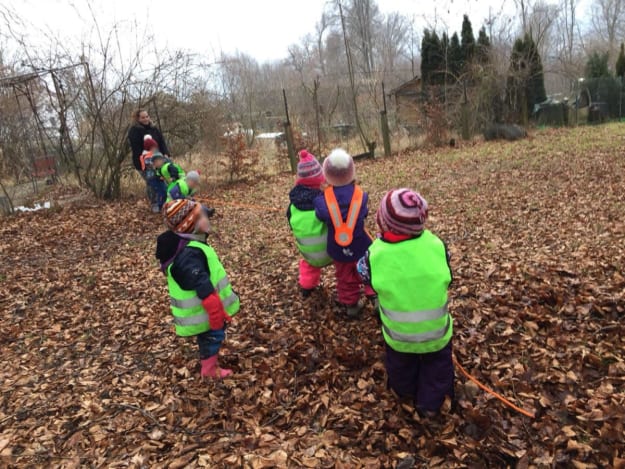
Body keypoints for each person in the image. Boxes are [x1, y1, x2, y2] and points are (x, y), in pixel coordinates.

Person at [357, 188, 454, 416]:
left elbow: (362, 273)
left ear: (383, 223)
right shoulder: (436, 245)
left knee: (400, 366)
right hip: (437, 334)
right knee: (438, 369)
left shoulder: (375, 254)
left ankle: (404, 392)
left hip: (398, 336)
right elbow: (448, 275)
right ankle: (430, 404)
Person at [155, 199, 240, 379]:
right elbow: (197, 278)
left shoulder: (190, 245)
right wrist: (213, 303)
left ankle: (210, 363)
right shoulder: (187, 254)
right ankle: (209, 371)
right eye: (202, 217)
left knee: (211, 337)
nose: (207, 219)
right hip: (203, 312)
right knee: (211, 337)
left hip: (206, 310)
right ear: (189, 226)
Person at [313, 148, 376, 318]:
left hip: (338, 249)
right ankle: (374, 297)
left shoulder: (321, 200)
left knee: (344, 277)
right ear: (351, 172)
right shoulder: (360, 196)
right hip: (361, 244)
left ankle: (351, 305)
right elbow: (364, 213)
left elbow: (319, 215)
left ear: (327, 173)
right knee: (369, 270)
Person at [287, 150, 332, 297]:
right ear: (321, 178)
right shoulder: (325, 199)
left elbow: (291, 224)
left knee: (307, 264)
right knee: (345, 257)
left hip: (308, 254)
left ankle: (306, 287)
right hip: (330, 252)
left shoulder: (293, 205)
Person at [128, 109, 171, 210]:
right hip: (143, 162)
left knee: (162, 181)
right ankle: (154, 203)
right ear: (138, 119)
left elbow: (161, 142)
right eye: (143, 117)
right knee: (151, 182)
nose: (146, 119)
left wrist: (166, 154)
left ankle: (165, 201)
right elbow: (136, 148)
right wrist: (147, 160)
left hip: (158, 160)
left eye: (147, 116)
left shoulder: (154, 129)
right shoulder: (134, 131)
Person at [143, 136, 167, 212]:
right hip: (152, 178)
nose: (155, 149)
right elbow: (153, 165)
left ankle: (164, 204)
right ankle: (158, 205)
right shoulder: (147, 156)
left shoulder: (155, 154)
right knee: (158, 191)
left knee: (164, 189)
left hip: (158, 176)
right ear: (149, 148)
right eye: (154, 147)